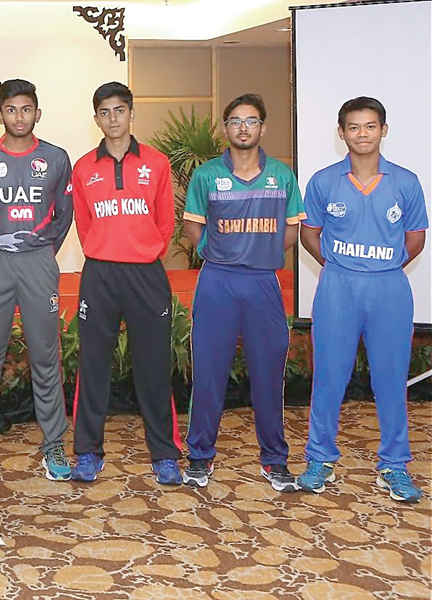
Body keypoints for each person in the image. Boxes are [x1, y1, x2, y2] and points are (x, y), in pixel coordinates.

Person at [298, 96, 428, 503]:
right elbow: (309, 233)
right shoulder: (323, 181)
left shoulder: (405, 182)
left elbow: (416, 238)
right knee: (329, 377)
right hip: (338, 287)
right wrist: (337, 265)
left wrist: (382, 266)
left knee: (390, 380)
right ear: (341, 134)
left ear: (383, 130)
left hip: (389, 289)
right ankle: (320, 458)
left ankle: (394, 464)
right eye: (353, 127)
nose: (362, 134)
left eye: (370, 126)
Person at [181, 94, 304, 492]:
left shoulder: (282, 176)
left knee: (269, 377)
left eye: (251, 121)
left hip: (263, 284)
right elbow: (193, 230)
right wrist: (217, 254)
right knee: (209, 375)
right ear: (226, 128)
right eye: (235, 121)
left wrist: (261, 253)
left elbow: (291, 230)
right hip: (217, 282)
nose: (243, 128)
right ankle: (200, 457)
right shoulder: (206, 175)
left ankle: (274, 460)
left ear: (262, 128)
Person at [69, 81, 183, 485]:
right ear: (96, 117)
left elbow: (165, 222)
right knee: (93, 365)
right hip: (99, 273)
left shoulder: (157, 163)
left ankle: (165, 455)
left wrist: (141, 249)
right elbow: (84, 223)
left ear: (131, 114)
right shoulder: (83, 168)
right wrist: (105, 249)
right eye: (105, 112)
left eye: (120, 110)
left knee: (153, 365)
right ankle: (87, 453)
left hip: (145, 274)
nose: (113, 119)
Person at [0, 79, 74, 479]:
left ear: (37, 114)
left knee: (46, 357)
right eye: (11, 110)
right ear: (0, 115)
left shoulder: (56, 158)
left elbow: (64, 216)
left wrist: (41, 251)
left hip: (38, 263)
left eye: (26, 109)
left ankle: (53, 447)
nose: (19, 117)